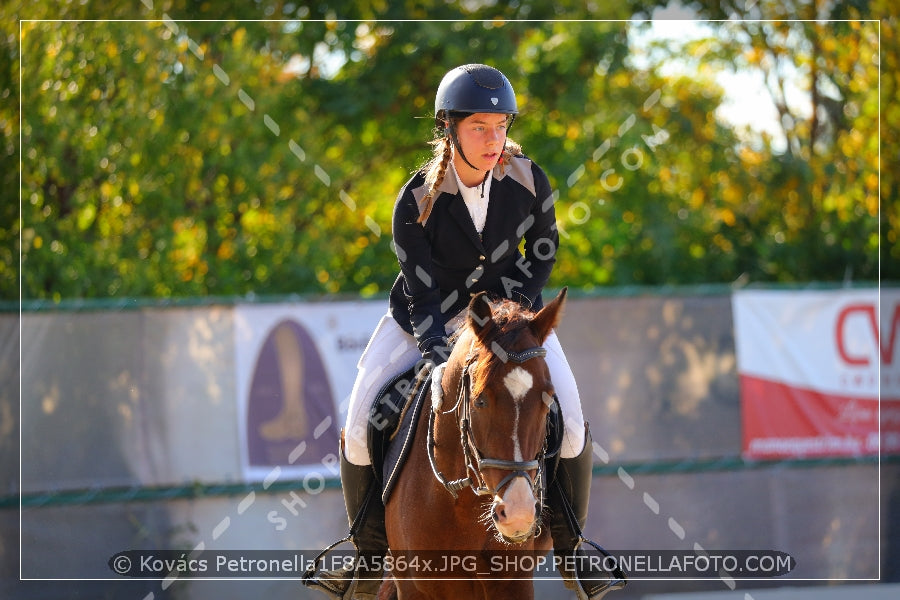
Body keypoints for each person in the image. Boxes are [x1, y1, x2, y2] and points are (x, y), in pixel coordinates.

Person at [308, 64, 616, 600]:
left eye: (501, 126)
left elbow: (543, 250)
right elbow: (421, 288)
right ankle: (367, 554)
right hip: (426, 321)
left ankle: (571, 550)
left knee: (569, 422)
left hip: (511, 320)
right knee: (360, 424)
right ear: (449, 129)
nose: (494, 139)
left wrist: (511, 320)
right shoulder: (417, 199)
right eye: (480, 127)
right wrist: (434, 348)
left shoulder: (527, 178)